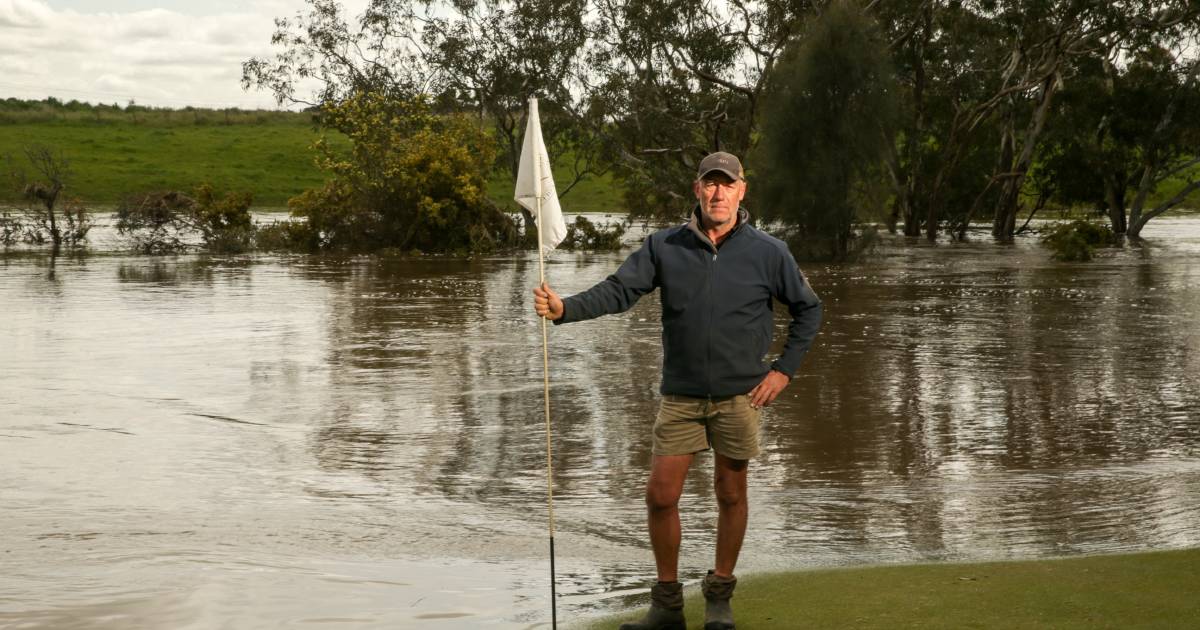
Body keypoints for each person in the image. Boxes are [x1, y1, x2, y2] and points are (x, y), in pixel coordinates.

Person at [533, 151, 822, 630]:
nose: (718, 193)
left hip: (741, 396)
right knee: (660, 495)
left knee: (731, 492)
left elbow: (809, 310)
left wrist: (783, 371)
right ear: (697, 189)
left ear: (741, 191)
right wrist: (565, 309)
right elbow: (618, 291)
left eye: (726, 185)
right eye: (710, 184)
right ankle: (667, 606)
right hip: (681, 395)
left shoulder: (769, 252)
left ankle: (719, 597)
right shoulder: (664, 246)